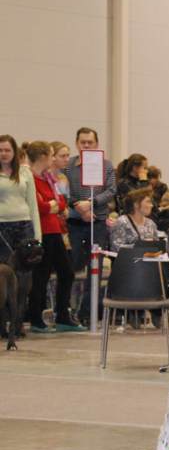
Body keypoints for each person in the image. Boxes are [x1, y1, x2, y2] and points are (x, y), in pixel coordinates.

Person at [26, 141, 84, 333]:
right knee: (41, 276)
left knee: (66, 272)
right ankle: (36, 318)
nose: (53, 159)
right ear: (43, 157)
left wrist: (52, 205)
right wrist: (51, 205)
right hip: (42, 231)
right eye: (51, 155)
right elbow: (39, 206)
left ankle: (62, 315)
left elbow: (59, 203)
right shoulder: (30, 178)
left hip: (55, 230)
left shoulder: (48, 178)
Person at [64, 127, 116, 325]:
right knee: (73, 265)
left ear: (97, 144)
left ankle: (87, 313)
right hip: (75, 223)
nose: (86, 145)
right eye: (83, 142)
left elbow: (111, 190)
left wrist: (91, 202)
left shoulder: (106, 165)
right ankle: (66, 310)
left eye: (90, 142)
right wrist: (78, 206)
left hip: (98, 222)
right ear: (77, 143)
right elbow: (63, 190)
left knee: (96, 267)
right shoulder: (68, 166)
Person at [0, 135, 41, 264]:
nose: (3, 153)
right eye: (0, 150)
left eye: (7, 150)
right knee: (4, 267)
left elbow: (33, 205)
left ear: (14, 152)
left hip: (25, 226)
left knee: (26, 268)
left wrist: (38, 235)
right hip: (2, 226)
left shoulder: (25, 172)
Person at [109, 187, 158, 252]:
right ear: (136, 204)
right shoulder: (122, 222)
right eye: (148, 202)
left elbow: (157, 246)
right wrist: (139, 246)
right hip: (128, 258)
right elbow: (115, 247)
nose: (151, 205)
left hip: (148, 258)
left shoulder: (151, 223)